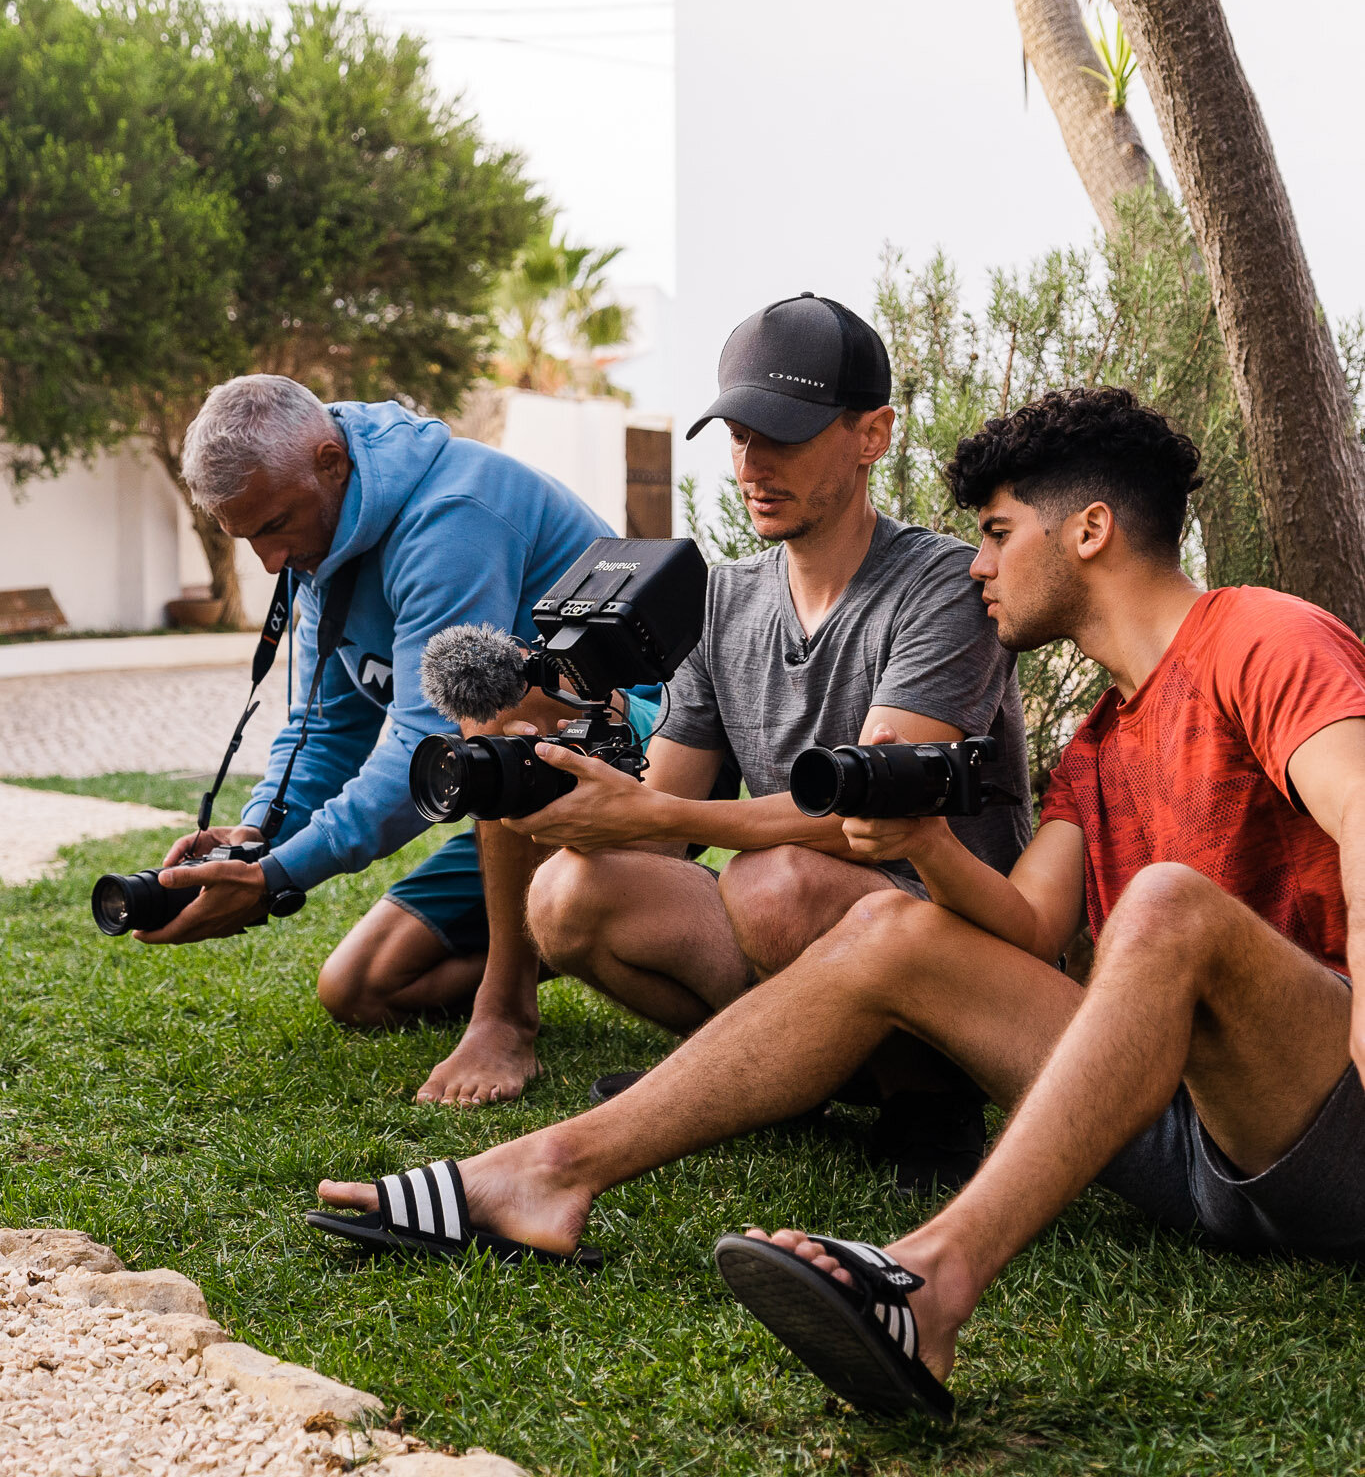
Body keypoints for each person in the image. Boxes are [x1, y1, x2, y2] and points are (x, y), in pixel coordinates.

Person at [314, 387, 1365, 1424]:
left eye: (998, 534)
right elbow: (1031, 932)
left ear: (1090, 529)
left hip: (1334, 1123)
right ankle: (544, 1173)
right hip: (1183, 1136)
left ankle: (931, 1283)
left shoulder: (1259, 636)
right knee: (889, 928)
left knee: (1170, 905)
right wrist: (926, 848)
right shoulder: (1097, 743)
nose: (979, 564)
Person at [505, 289, 1031, 1188]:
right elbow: (667, 820)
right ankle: (771, 1077)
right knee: (565, 896)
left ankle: (928, 1099)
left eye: (783, 434)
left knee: (773, 882)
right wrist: (569, 797)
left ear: (872, 435)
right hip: (799, 930)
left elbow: (873, 816)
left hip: (948, 944)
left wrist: (644, 813)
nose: (752, 464)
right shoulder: (723, 599)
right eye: (739, 435)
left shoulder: (941, 585)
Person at [148, 374, 640, 1108]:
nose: (270, 562)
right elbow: (327, 724)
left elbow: (430, 743)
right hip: (517, 800)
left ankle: (507, 1010)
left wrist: (281, 879)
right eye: (246, 536)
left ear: (330, 461)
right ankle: (569, 925)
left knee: (494, 706)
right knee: (360, 988)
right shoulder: (322, 539)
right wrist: (258, 836)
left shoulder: (454, 514)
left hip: (636, 768)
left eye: (276, 525)